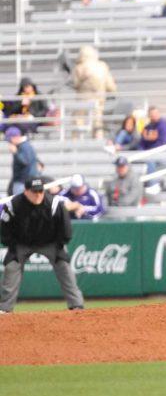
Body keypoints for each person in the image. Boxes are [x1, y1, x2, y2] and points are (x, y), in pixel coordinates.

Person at [0, 178, 84, 313]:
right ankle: (5, 309)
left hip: (50, 242)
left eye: (40, 191)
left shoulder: (54, 203)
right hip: (22, 243)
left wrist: (61, 244)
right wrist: (12, 245)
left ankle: (76, 305)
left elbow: (65, 226)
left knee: (64, 266)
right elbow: (5, 226)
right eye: (35, 192)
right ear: (26, 192)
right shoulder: (14, 204)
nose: (38, 195)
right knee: (11, 266)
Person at [6, 126, 41, 195]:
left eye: (10, 140)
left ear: (15, 137)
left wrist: (15, 152)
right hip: (26, 180)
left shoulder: (24, 146)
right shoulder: (25, 146)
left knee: (19, 203)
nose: (9, 142)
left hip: (23, 181)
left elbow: (25, 161)